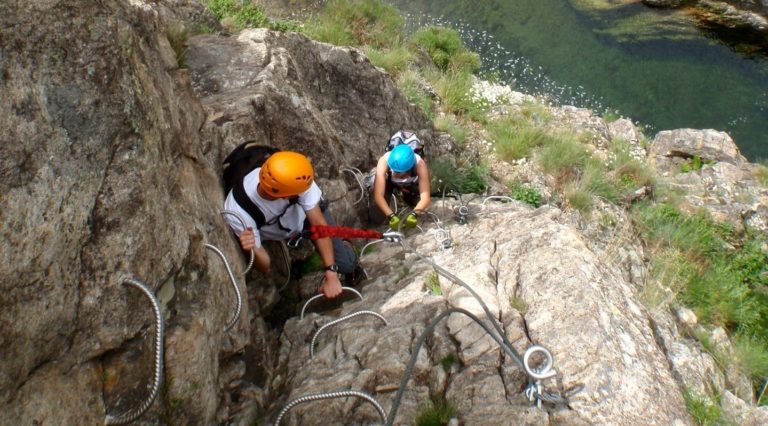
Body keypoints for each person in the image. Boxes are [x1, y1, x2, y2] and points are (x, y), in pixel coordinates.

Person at [223, 151, 361, 298]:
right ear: (284, 196)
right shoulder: (239, 212)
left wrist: (331, 274)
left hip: (306, 217)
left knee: (345, 265)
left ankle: (346, 248)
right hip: (285, 225)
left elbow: (319, 225)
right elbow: (265, 266)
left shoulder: (295, 174)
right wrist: (252, 250)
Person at [370, 143, 431, 229]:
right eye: (393, 170)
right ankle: (389, 201)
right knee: (377, 217)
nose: (394, 173)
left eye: (398, 172)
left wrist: (414, 214)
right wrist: (390, 215)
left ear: (408, 169)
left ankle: (407, 198)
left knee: (421, 206)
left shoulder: (420, 165)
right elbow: (378, 195)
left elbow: (425, 198)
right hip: (388, 183)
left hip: (409, 184)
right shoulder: (384, 161)